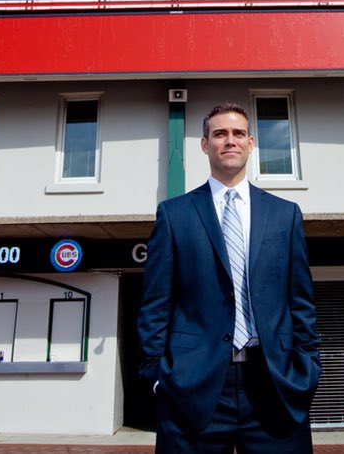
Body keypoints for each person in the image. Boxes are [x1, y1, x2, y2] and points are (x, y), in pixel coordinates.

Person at [137, 102, 321, 453]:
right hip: (193, 387)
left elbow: (301, 301)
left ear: (251, 143)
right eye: (219, 133)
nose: (229, 141)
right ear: (205, 145)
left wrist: (307, 367)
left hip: (274, 384)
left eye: (238, 133)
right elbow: (155, 304)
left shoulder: (285, 215)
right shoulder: (174, 215)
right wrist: (158, 376)